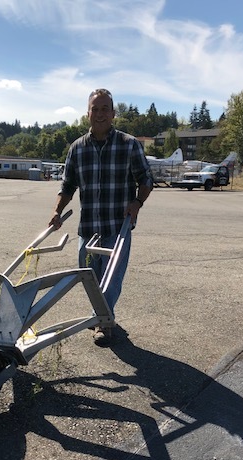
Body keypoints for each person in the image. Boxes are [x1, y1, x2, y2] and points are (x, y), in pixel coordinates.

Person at [49, 88, 153, 346]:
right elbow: (68, 186)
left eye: (105, 108)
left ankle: (103, 324)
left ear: (113, 113)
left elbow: (146, 180)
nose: (100, 114)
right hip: (88, 229)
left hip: (117, 228)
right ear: (88, 114)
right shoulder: (77, 149)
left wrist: (137, 202)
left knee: (110, 280)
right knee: (89, 278)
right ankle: (104, 316)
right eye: (95, 109)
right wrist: (57, 211)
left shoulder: (129, 145)